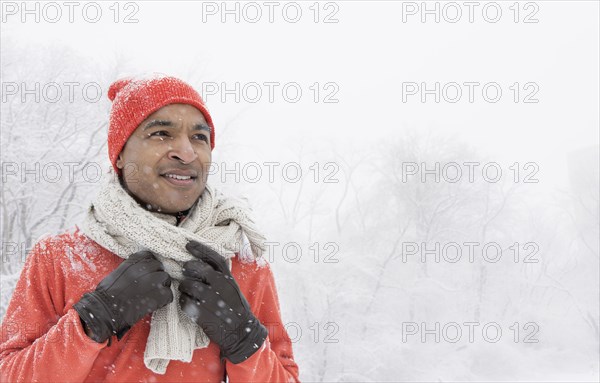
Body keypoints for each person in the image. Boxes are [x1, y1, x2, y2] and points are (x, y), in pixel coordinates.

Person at [0, 75, 300, 382]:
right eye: (161, 133)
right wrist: (93, 319)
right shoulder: (59, 257)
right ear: (119, 155)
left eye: (199, 137)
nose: (186, 152)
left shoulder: (242, 262)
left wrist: (243, 339)